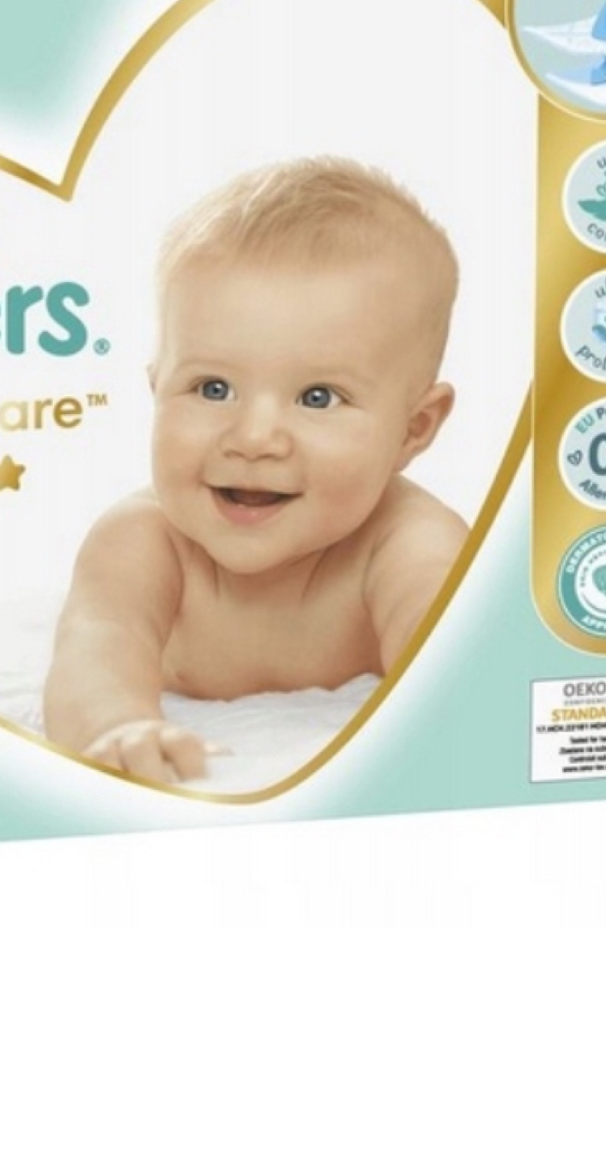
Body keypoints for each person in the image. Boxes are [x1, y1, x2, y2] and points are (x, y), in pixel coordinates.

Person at [44, 157, 467, 784]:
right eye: (212, 388)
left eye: (318, 397)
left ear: (414, 428)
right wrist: (117, 727)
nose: (253, 439)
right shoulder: (143, 541)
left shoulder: (409, 543)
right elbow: (95, 649)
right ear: (157, 390)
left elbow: (461, 680)